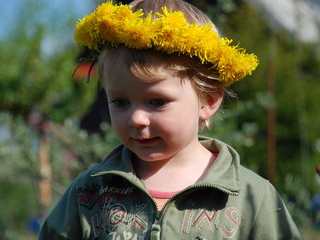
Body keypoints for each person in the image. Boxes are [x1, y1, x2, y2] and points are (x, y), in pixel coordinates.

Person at [38, 0, 303, 239]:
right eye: (120, 102)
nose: (137, 118)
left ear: (209, 100)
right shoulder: (89, 193)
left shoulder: (251, 198)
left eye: (157, 102)